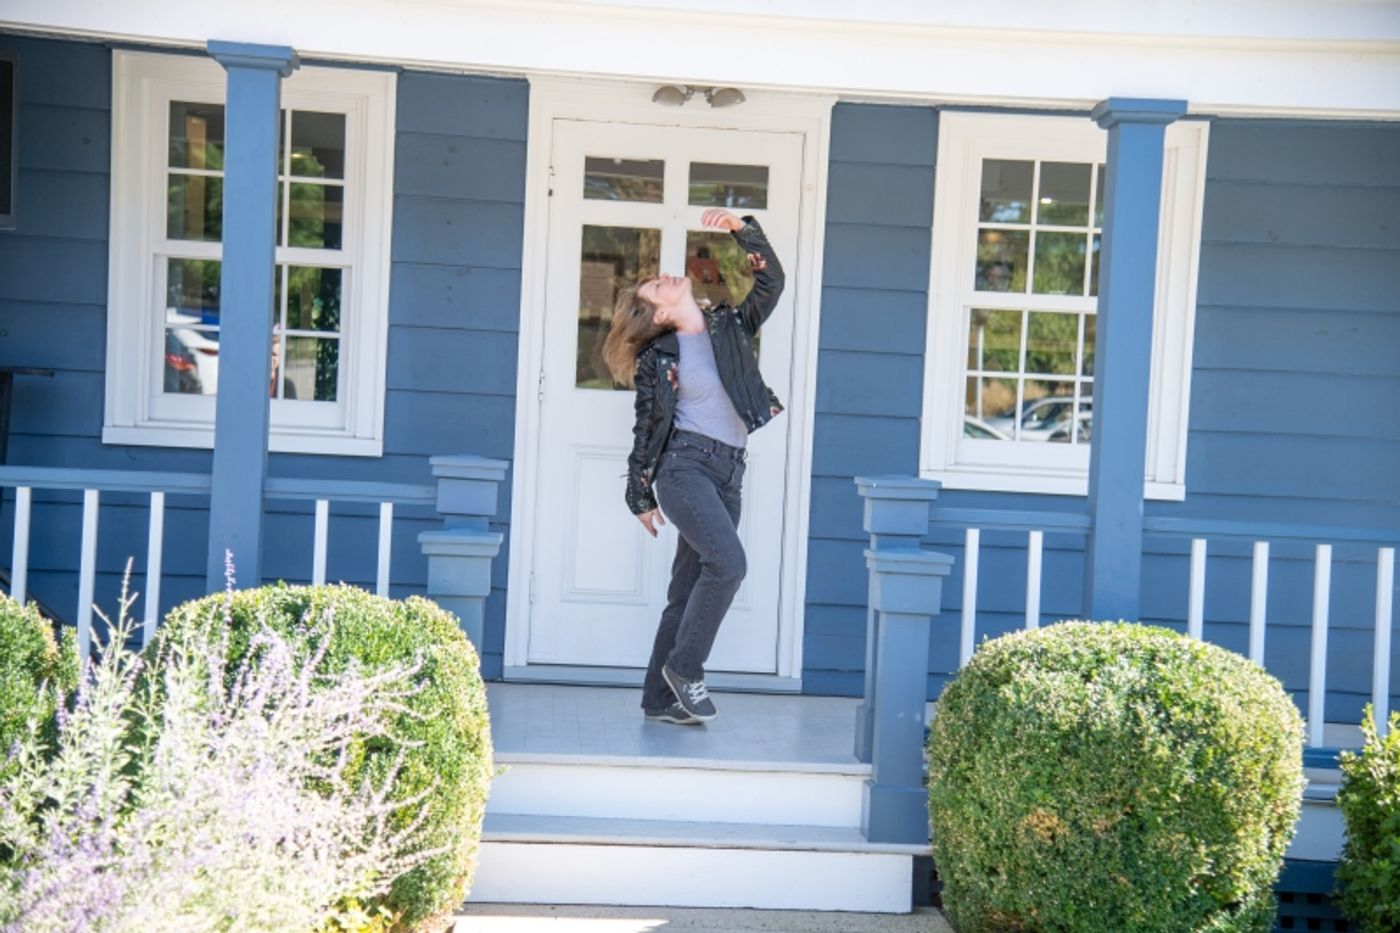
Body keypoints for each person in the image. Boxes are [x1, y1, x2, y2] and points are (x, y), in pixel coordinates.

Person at [602, 208, 785, 726]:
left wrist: (740, 231)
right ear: (659, 315)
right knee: (729, 565)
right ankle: (685, 668)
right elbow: (648, 427)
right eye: (654, 288)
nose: (664, 279)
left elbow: (773, 281)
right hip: (685, 469)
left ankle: (659, 699)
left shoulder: (730, 326)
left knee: (686, 590)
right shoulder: (658, 357)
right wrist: (640, 493)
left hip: (730, 471)